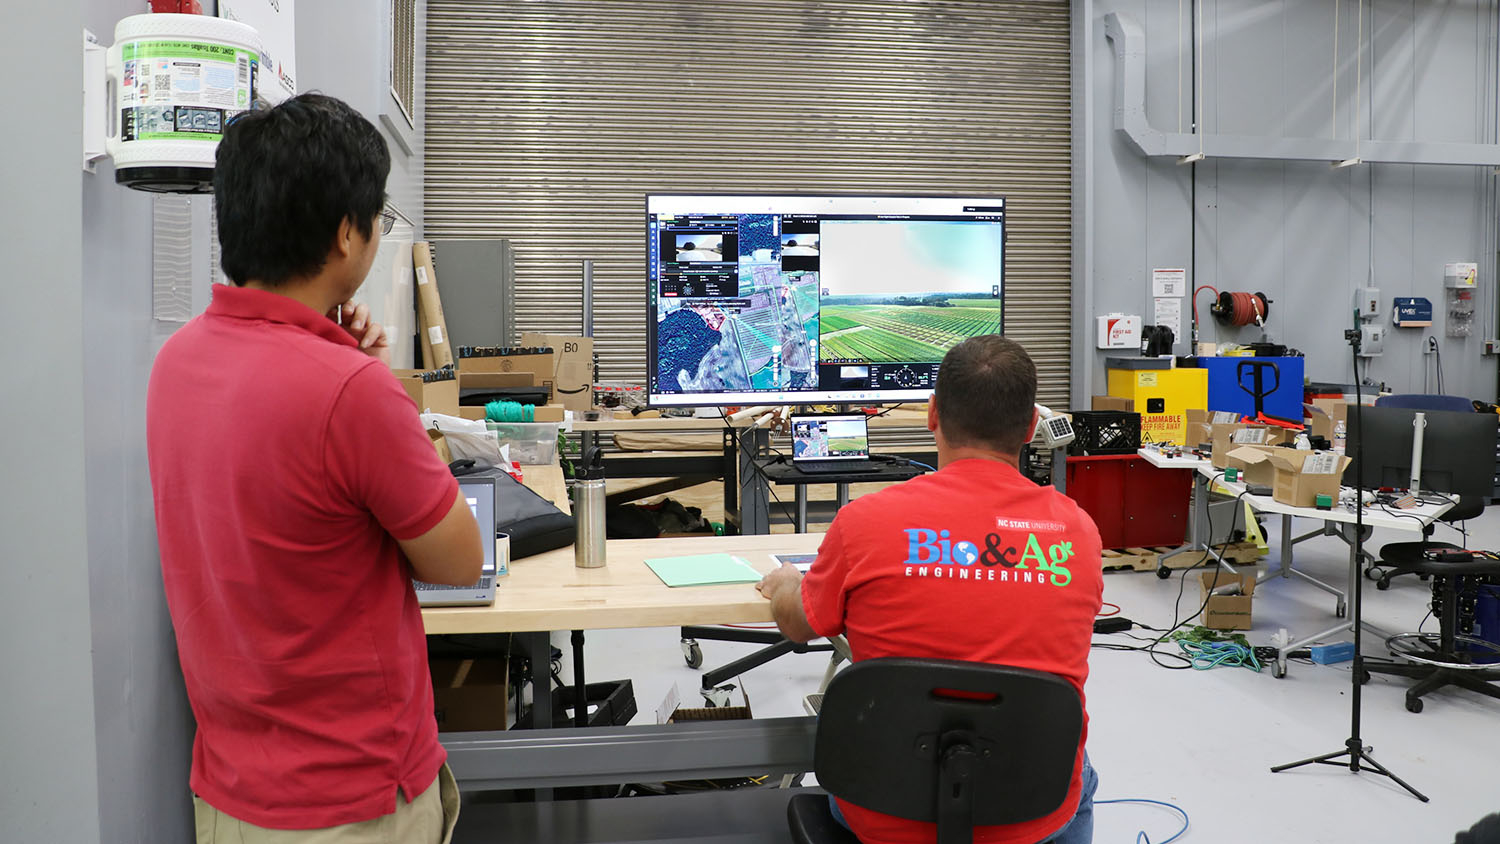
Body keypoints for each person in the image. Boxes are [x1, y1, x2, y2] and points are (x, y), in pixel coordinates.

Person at [146, 93, 483, 843]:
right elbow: (460, 559)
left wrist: (340, 359)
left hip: (231, 794)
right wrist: (379, 392)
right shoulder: (352, 393)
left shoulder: (175, 364)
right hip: (351, 801)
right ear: (345, 235)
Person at [757, 335, 1103, 844]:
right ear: (1032, 426)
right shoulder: (1079, 533)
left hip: (879, 809)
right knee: (1082, 772)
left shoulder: (864, 523)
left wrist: (789, 581)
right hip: (1030, 810)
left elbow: (798, 625)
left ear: (932, 413)